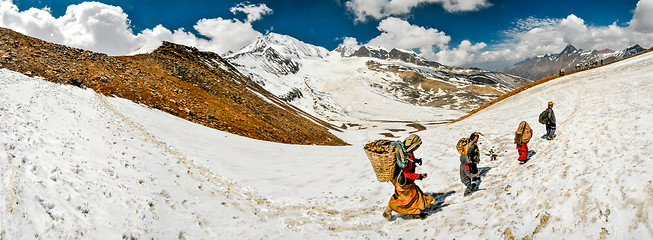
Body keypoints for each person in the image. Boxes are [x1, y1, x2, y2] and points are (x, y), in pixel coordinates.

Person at [383, 134, 435, 220]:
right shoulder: (408, 157)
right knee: (413, 199)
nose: (417, 148)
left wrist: (416, 161)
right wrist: (420, 176)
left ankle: (387, 211)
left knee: (400, 197)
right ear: (414, 145)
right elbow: (408, 174)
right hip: (405, 183)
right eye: (417, 146)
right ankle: (416, 214)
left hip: (398, 181)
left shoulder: (404, 151)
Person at [459, 132, 481, 196]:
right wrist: (470, 159)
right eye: (477, 138)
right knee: (473, 169)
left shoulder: (471, 143)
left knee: (473, 168)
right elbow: (470, 152)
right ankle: (467, 192)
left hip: (470, 160)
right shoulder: (472, 145)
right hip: (472, 160)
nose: (477, 140)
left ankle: (473, 179)